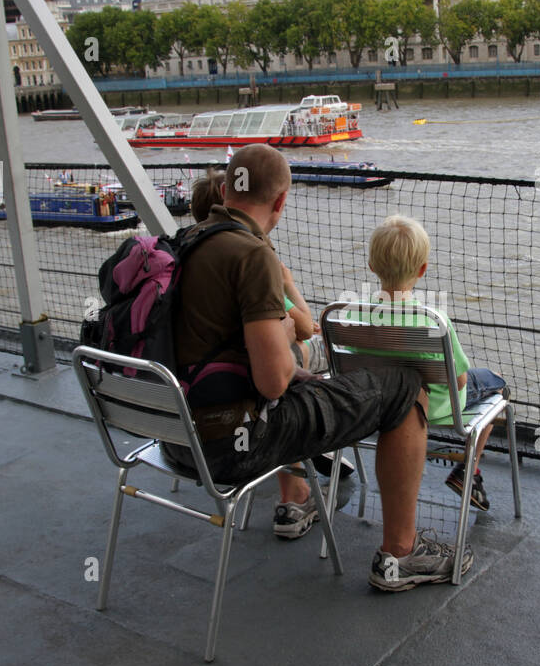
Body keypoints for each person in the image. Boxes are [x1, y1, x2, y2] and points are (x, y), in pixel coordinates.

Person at [161, 144, 468, 590]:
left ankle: (299, 499)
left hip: (177, 438)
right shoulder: (252, 255)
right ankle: (401, 554)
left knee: (313, 381)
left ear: (226, 191)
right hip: (232, 446)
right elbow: (274, 381)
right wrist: (285, 335)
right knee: (404, 384)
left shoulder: (183, 243)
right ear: (281, 201)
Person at [356, 215, 507, 512]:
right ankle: (469, 470)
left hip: (374, 408)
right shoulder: (432, 320)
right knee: (498, 385)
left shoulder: (352, 315)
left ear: (372, 266)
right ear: (422, 269)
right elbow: (460, 381)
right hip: (437, 410)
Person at [190, 168, 326, 373]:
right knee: (321, 346)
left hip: (201, 368)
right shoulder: (251, 261)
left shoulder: (190, 249)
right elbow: (305, 328)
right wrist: (288, 284)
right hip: (245, 372)